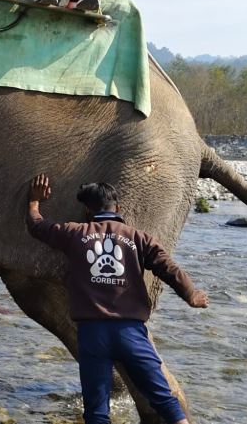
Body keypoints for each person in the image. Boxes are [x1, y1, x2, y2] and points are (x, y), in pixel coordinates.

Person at [25, 174, 209, 424]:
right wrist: (191, 294)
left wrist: (34, 202)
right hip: (131, 332)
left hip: (92, 333)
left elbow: (37, 226)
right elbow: (168, 267)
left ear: (88, 211)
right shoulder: (139, 238)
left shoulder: (75, 233)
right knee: (165, 401)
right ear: (118, 208)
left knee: (97, 413)